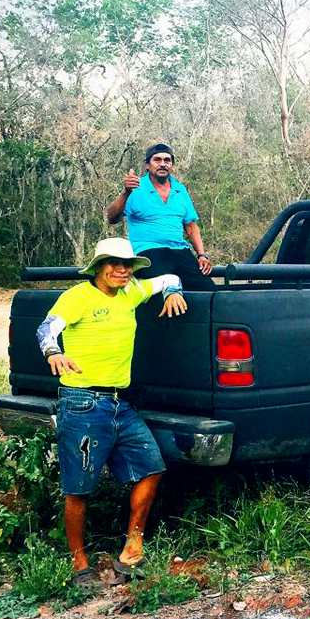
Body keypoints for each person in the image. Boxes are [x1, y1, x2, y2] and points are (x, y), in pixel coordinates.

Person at [36, 237, 187, 590]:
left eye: (128, 264)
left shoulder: (131, 291)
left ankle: (132, 547)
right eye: (114, 263)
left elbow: (169, 279)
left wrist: (172, 293)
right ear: (98, 266)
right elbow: (47, 327)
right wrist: (51, 352)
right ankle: (79, 562)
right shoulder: (77, 297)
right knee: (79, 488)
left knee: (151, 468)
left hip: (121, 404)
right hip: (82, 403)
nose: (122, 270)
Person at [106, 142, 215, 290]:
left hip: (180, 251)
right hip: (148, 252)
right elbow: (112, 218)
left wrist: (202, 255)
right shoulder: (135, 187)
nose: (162, 164)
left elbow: (191, 227)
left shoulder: (180, 190)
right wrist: (126, 192)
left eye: (167, 160)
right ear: (147, 165)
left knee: (209, 292)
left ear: (172, 165)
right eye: (157, 160)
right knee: (165, 291)